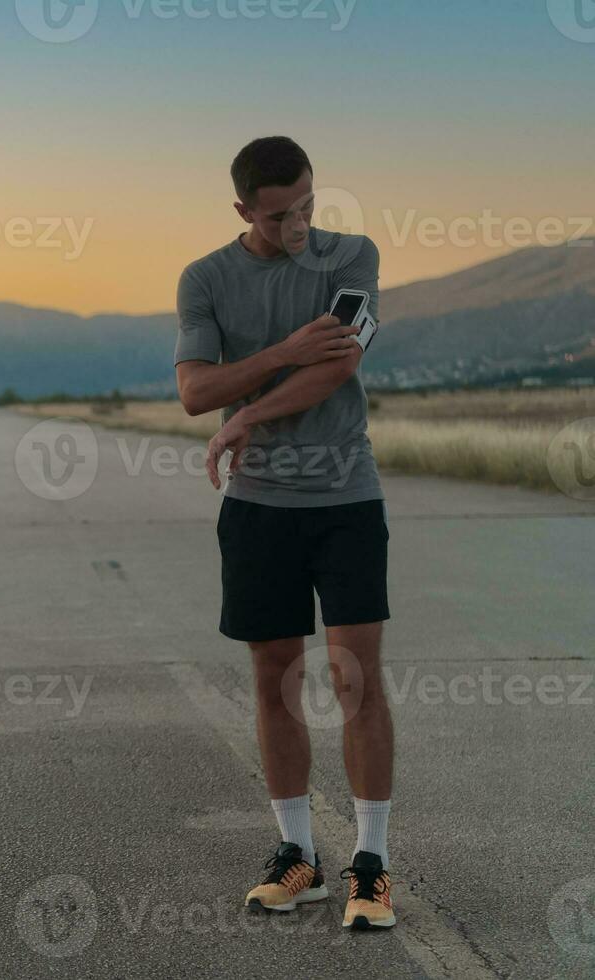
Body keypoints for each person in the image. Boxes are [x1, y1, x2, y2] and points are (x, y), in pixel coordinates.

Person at [174, 136, 396, 931]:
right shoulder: (206, 278)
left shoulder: (351, 256)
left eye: (306, 203)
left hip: (345, 499)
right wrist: (282, 352)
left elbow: (338, 364)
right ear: (243, 210)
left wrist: (253, 413)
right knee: (275, 682)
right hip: (260, 508)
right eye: (278, 214)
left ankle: (370, 867)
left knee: (354, 680)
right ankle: (297, 857)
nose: (297, 222)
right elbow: (197, 392)